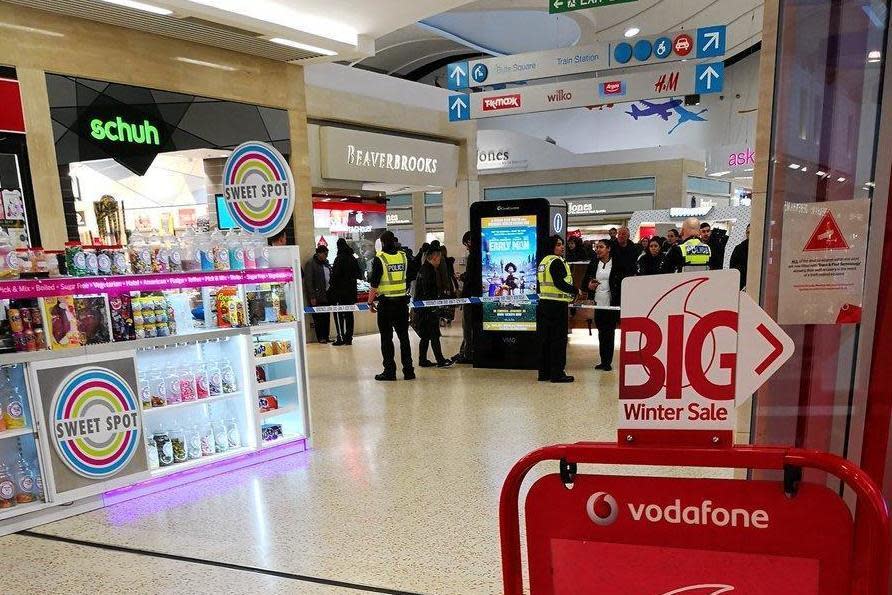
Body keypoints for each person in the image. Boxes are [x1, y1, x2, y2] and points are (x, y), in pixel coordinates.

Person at [368, 231, 418, 381]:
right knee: (404, 338)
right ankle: (408, 370)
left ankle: (389, 371)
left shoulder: (380, 259)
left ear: (382, 243)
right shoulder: (403, 257)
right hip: (402, 303)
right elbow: (412, 274)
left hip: (386, 305)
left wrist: (370, 302)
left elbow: (374, 284)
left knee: (386, 338)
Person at [537, 235, 582, 383]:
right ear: (552, 246)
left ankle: (544, 373)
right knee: (558, 340)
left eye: (562, 244)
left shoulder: (544, 262)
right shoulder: (556, 262)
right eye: (558, 245)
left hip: (544, 304)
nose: (562, 247)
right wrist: (575, 290)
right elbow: (559, 284)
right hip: (557, 305)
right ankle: (557, 373)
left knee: (545, 340)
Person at [583, 239, 624, 372]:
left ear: (608, 249)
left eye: (601, 247)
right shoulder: (594, 263)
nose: (598, 249)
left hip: (611, 303)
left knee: (609, 332)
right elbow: (585, 282)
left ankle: (608, 361)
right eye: (597, 247)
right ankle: (603, 360)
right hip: (598, 303)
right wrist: (589, 285)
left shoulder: (617, 263)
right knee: (601, 332)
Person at [413, 246, 455, 369]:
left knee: (425, 335)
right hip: (428, 309)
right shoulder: (429, 271)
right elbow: (428, 291)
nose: (440, 261)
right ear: (435, 257)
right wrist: (434, 305)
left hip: (422, 308)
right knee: (434, 334)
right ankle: (440, 360)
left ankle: (422, 359)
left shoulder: (424, 268)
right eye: (439, 258)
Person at [454, 231, 480, 365]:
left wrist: (462, 277)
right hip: (478, 297)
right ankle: (466, 350)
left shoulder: (472, 257)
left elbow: (470, 277)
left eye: (466, 243)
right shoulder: (481, 255)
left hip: (470, 297)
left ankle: (467, 352)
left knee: (467, 326)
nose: (466, 247)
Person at [329, 238, 362, 346]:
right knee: (349, 315)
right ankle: (349, 338)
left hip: (340, 293)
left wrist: (332, 288)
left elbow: (334, 276)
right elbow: (359, 274)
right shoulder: (352, 258)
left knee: (340, 315)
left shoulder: (339, 259)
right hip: (351, 292)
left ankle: (341, 338)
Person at [304, 245, 332, 343]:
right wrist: (312, 296)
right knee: (318, 318)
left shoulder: (326, 263)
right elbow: (308, 281)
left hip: (326, 295)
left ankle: (326, 336)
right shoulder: (310, 264)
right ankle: (321, 337)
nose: (326, 256)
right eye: (325, 254)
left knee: (326, 317)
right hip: (316, 296)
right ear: (319, 253)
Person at [729, 224, 750, 290]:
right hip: (741, 285)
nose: (749, 235)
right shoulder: (739, 248)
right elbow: (732, 268)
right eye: (748, 232)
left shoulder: (762, 248)